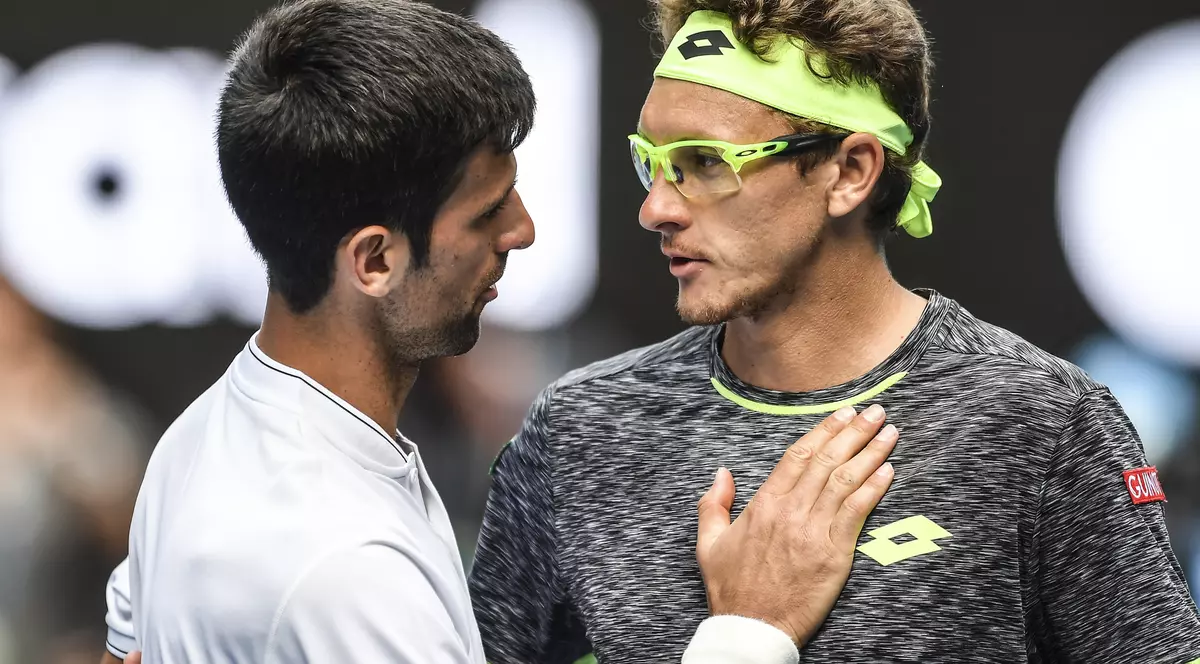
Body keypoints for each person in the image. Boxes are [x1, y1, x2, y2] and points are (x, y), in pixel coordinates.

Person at [96, 1, 901, 662]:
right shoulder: (347, 576)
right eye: (486, 213)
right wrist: (747, 632)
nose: (523, 231)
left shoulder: (197, 442)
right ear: (373, 260)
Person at [466, 1, 1200, 663]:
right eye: (651, 163)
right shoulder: (576, 429)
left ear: (850, 171)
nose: (656, 209)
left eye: (704, 165)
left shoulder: (1045, 423)